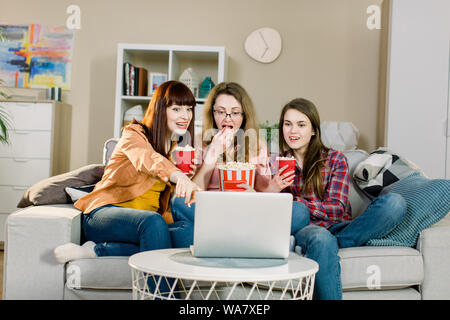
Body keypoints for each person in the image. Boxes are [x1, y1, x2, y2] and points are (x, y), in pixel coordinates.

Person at [272, 98, 406, 300]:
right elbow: (283, 215)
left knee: (395, 203)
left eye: (301, 125)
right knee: (320, 237)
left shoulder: (334, 159)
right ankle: (330, 244)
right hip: (308, 230)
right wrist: (274, 188)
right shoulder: (277, 163)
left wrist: (301, 204)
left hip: (339, 226)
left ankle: (337, 242)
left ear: (314, 130)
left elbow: (337, 208)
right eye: (287, 124)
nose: (293, 131)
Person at [54, 80, 202, 264]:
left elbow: (164, 199)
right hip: (104, 214)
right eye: (176, 109)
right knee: (153, 223)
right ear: (159, 109)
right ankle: (161, 294)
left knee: (187, 232)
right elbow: (146, 159)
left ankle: (97, 251)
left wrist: (186, 177)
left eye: (189, 109)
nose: (185, 115)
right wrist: (178, 175)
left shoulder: (172, 151)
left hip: (145, 223)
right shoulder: (133, 133)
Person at [170, 82, 310, 239]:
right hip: (212, 211)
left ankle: (226, 234)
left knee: (300, 211)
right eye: (221, 112)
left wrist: (257, 194)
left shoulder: (257, 146)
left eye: (235, 113)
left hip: (246, 212)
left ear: (244, 116)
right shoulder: (197, 143)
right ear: (212, 113)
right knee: (179, 202)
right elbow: (193, 194)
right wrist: (212, 153)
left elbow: (263, 199)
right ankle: (239, 235)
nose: (227, 119)